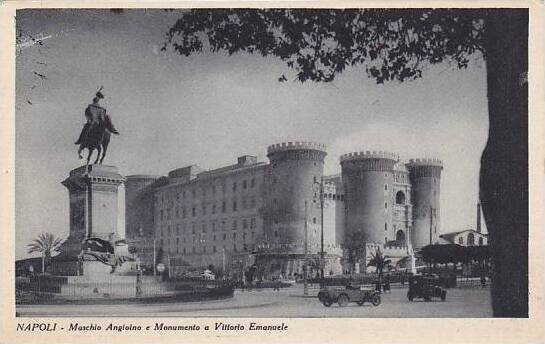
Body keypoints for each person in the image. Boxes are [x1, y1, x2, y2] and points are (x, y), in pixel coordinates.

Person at [75, 89, 119, 158]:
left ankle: (81, 141)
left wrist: (90, 120)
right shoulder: (100, 109)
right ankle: (112, 130)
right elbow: (102, 117)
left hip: (93, 123)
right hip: (99, 123)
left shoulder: (91, 107)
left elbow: (87, 115)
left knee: (85, 129)